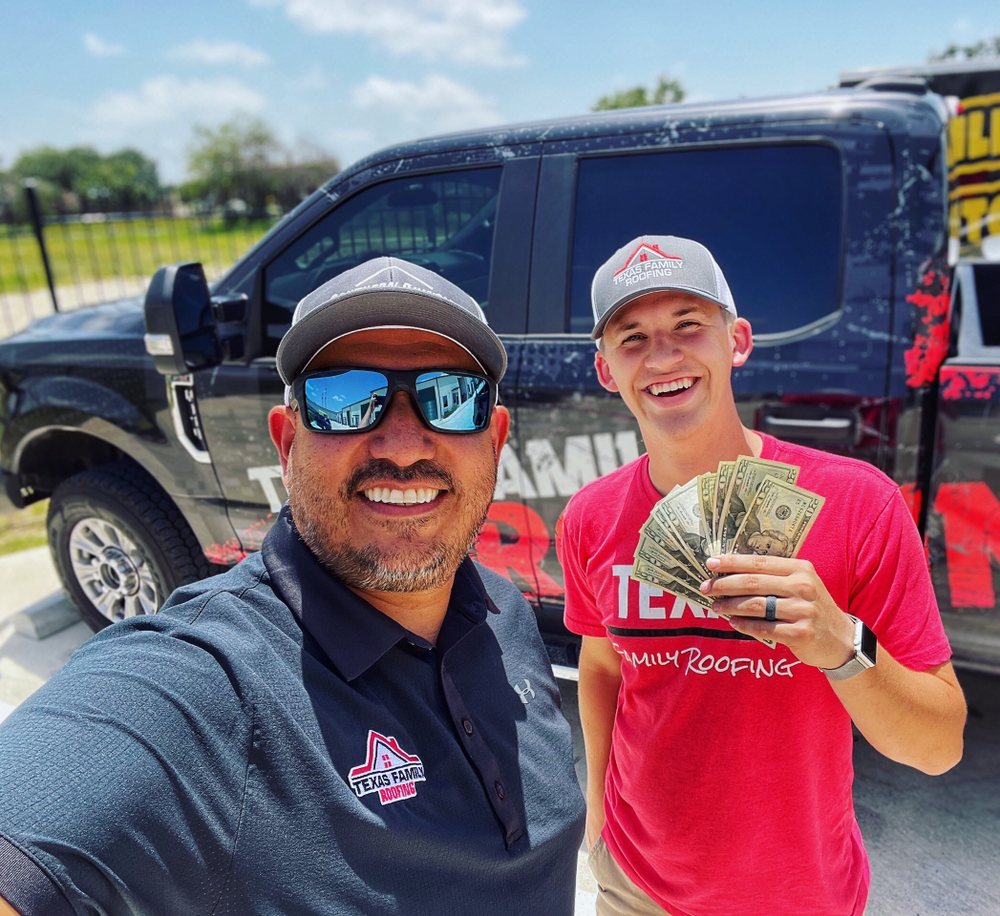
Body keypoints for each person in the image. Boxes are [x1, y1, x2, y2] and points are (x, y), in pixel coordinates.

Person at [0, 257, 585, 915]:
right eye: (343, 397)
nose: (399, 442)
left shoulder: (501, 609)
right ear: (286, 443)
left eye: (452, 397)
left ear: (495, 441)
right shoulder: (208, 683)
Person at [556, 235, 967, 915]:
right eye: (633, 338)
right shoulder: (591, 517)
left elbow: (939, 746)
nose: (662, 356)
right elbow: (600, 668)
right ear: (606, 371)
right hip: (633, 888)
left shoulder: (858, 504)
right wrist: (598, 813)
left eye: (689, 325)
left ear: (736, 341)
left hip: (798, 896)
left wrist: (841, 642)